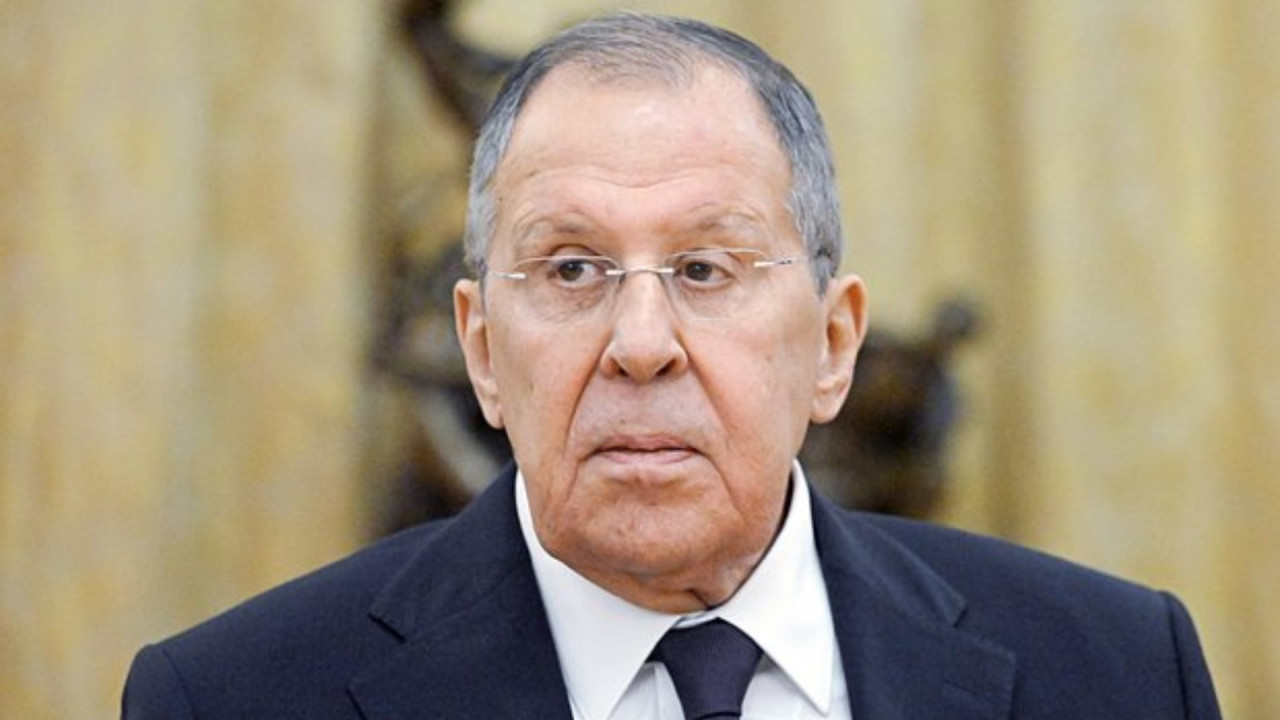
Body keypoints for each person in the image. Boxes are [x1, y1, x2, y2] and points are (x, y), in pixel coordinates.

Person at [122, 12, 1221, 720]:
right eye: (570, 269)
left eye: (704, 268)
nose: (640, 344)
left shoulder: (1120, 674)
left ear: (832, 345)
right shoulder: (228, 700)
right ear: (482, 351)